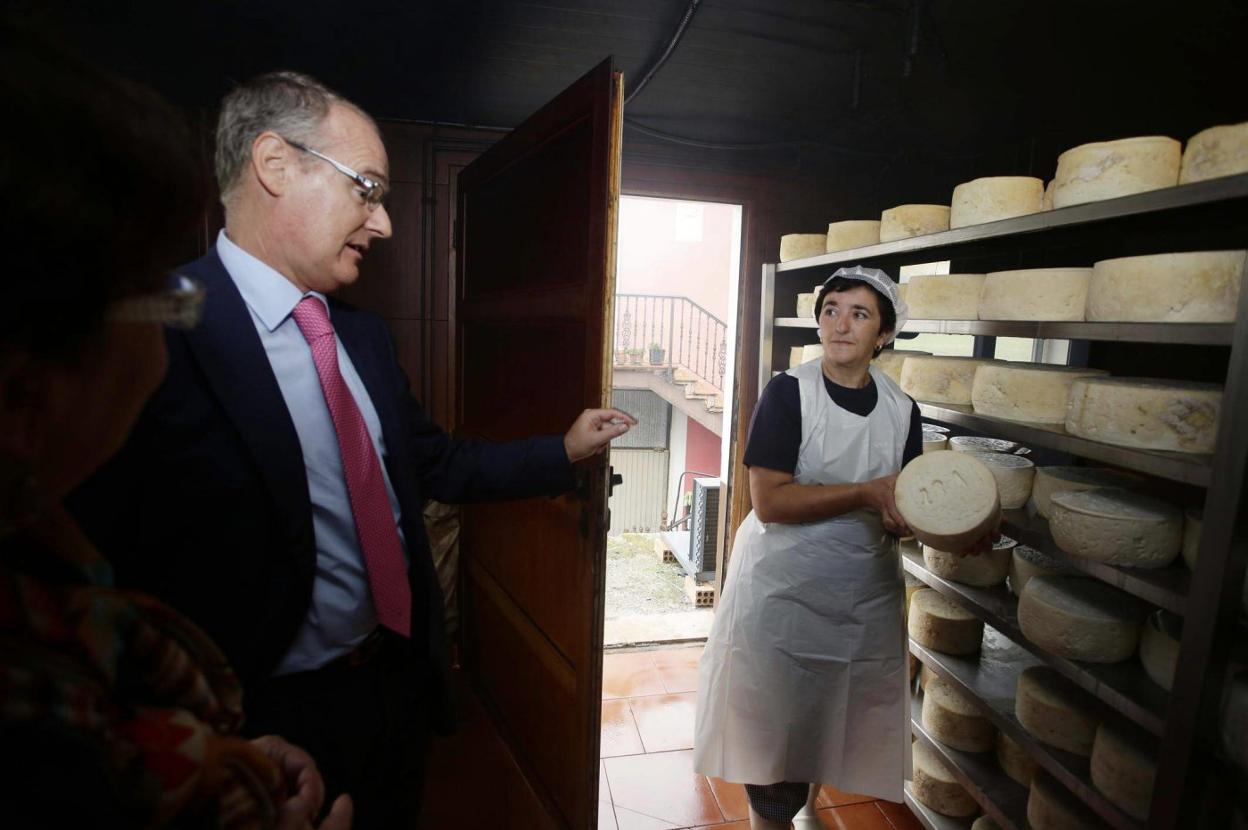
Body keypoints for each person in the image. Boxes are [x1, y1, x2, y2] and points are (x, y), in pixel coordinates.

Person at [68, 69, 635, 829]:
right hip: (257, 722)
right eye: (366, 188)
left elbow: (435, 464)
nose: (385, 223)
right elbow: (93, 577)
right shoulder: (150, 333)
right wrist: (199, 740)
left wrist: (561, 451)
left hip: (393, 683)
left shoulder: (361, 335)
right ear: (275, 165)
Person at [0, 27, 350, 829]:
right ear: (25, 391)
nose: (174, 315)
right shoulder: (38, 728)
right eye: (152, 289)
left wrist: (214, 756)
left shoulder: (46, 572)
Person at [693, 265, 993, 829]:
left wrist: (959, 528)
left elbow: (899, 505)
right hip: (784, 587)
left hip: (859, 592)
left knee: (828, 720)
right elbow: (771, 502)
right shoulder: (788, 393)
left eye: (859, 314)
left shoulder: (902, 409)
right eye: (831, 310)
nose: (840, 324)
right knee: (778, 729)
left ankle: (796, 808)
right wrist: (862, 492)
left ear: (883, 334)